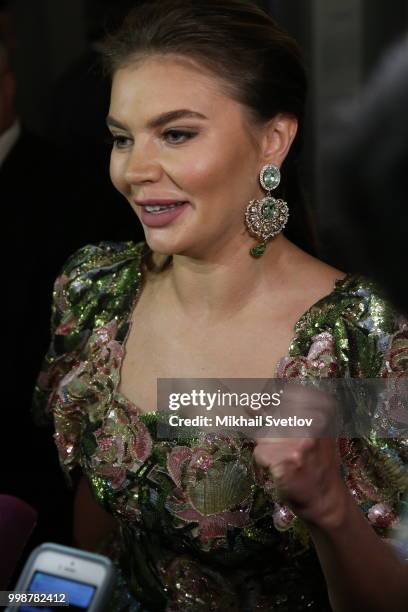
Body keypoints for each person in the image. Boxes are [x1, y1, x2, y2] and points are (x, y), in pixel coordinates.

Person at [32, 1, 408, 610]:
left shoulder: (364, 333)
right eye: (122, 138)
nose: (135, 170)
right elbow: (95, 533)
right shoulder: (95, 288)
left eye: (176, 134)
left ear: (273, 140)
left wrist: (331, 509)